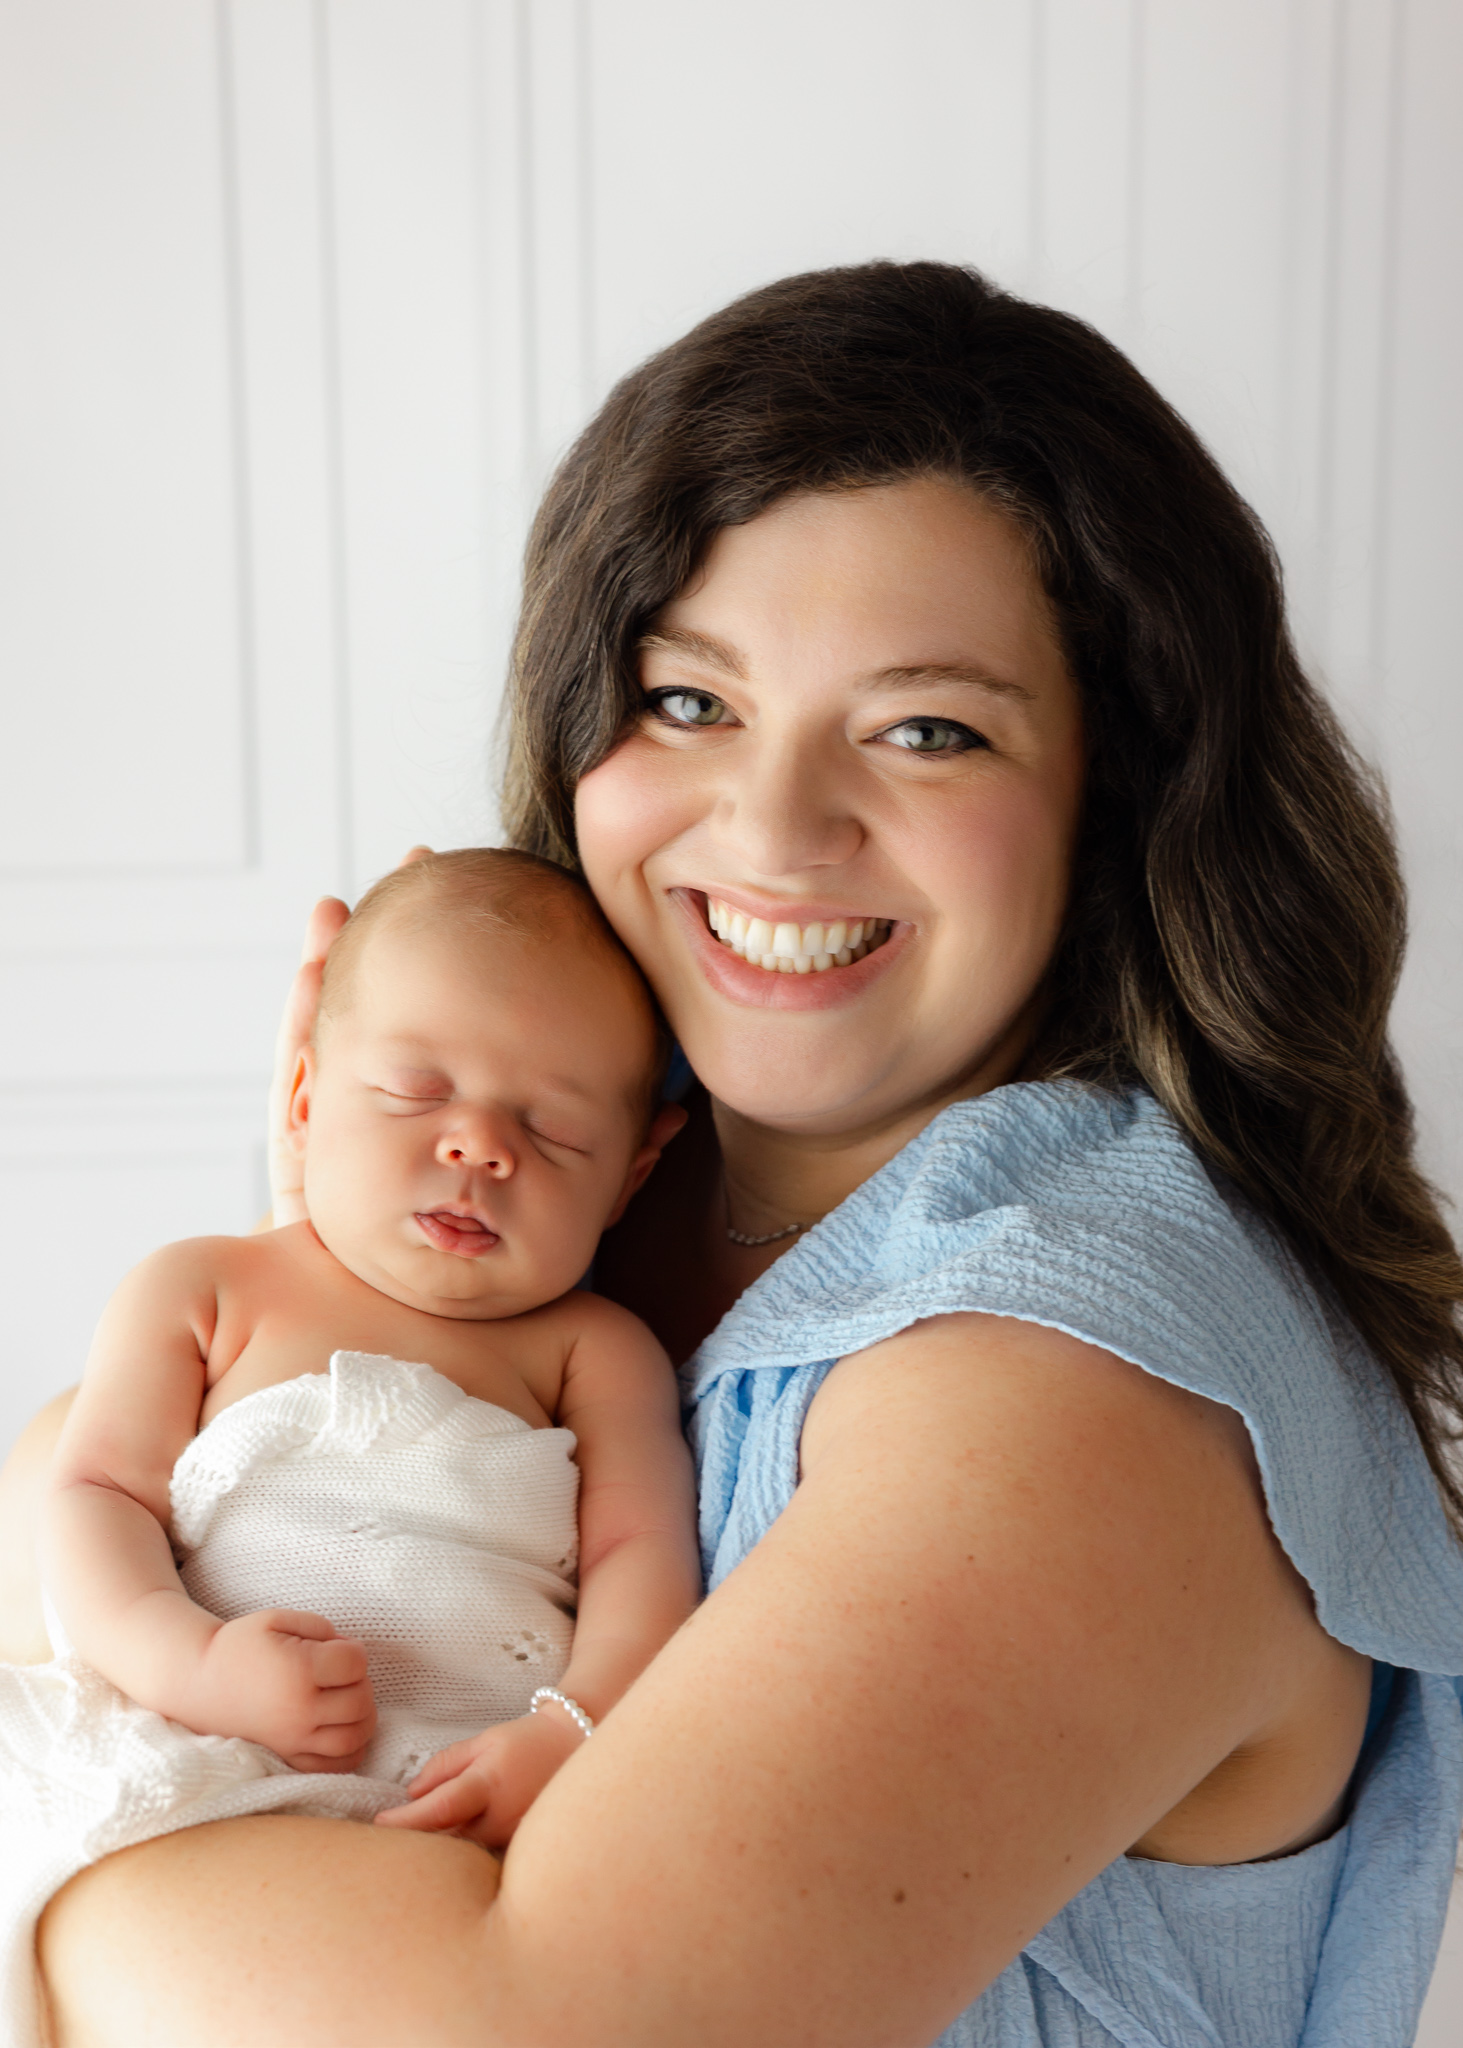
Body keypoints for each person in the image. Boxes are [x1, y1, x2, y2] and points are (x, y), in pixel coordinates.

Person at [7, 260, 1463, 2047]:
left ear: (1120, 795)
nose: (769, 830)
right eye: (690, 700)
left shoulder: (1083, 1374)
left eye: (928, 727)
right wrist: (313, 1252)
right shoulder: (581, 1195)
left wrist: (52, 1870)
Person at [0, 849, 697, 2045]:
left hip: (455, 1797)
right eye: (415, 1091)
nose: (479, 1145)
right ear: (308, 1094)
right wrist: (193, 1662)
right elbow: (92, 1497)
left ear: (634, 1171)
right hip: (190, 1733)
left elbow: (644, 1563)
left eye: (551, 1125)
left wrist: (568, 1727)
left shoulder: (593, 1350)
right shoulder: (209, 1286)